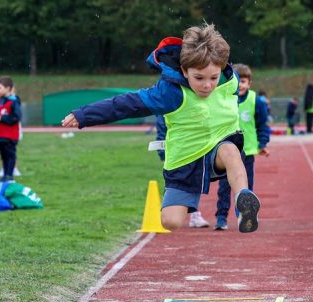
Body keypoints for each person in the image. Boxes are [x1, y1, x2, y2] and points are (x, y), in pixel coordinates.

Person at [61, 24, 261, 233]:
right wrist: (84, 115)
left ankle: (243, 204)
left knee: (231, 152)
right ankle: (194, 204)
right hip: (185, 156)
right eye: (199, 78)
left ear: (221, 69)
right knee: (170, 222)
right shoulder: (170, 93)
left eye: (213, 77)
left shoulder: (230, 81)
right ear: (184, 71)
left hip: (218, 145)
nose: (207, 86)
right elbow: (126, 104)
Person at [213, 63, 270, 231]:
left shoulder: (256, 101)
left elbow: (262, 125)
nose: (241, 85)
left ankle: (244, 216)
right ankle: (221, 217)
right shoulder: (223, 99)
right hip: (226, 153)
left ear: (249, 83)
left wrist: (263, 143)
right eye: (238, 81)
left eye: (244, 81)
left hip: (248, 152)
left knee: (245, 187)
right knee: (224, 187)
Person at [0, 76, 22, 183]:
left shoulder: (13, 101)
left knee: (10, 155)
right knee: (3, 156)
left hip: (10, 135)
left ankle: (9, 176)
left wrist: (1, 118)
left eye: (0, 88)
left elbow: (16, 117)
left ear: (8, 88)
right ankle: (5, 175)